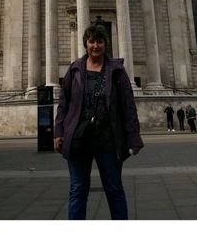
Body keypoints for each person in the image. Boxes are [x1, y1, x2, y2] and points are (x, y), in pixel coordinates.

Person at [54, 23, 143, 220]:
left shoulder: (117, 71)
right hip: (79, 138)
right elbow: (64, 103)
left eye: (100, 41)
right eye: (92, 41)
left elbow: (128, 106)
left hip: (108, 140)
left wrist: (134, 138)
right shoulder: (75, 69)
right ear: (85, 44)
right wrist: (58, 132)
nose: (96, 45)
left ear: (106, 44)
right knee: (77, 190)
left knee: (114, 190)